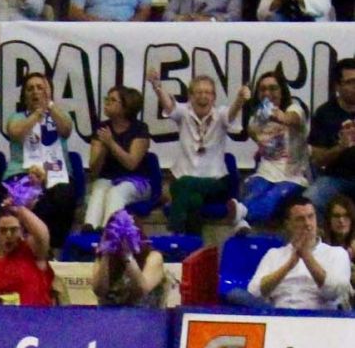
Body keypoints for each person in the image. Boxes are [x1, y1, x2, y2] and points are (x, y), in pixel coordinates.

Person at [148, 69, 244, 236]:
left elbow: (231, 114)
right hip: (186, 179)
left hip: (214, 181)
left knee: (181, 184)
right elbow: (169, 107)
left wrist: (240, 99)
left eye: (208, 92)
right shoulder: (184, 113)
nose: (203, 96)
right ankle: (194, 244)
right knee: (194, 200)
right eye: (198, 92)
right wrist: (157, 86)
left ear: (213, 97)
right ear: (191, 96)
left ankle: (175, 231)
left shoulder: (220, 114)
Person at [4, 71, 76, 248]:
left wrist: (49, 106)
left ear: (49, 92)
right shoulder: (17, 117)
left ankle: (53, 247)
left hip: (56, 174)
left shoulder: (59, 115)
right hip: (22, 173)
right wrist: (37, 114)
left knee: (63, 195)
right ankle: (33, 245)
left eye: (40, 88)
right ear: (24, 95)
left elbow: (66, 130)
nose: (35, 92)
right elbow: (16, 133)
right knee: (31, 197)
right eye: (30, 89)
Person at [246, 194, 352, 308]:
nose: (307, 224)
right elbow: (254, 292)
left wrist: (306, 256)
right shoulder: (274, 254)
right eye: (300, 219)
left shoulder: (336, 253)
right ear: (288, 224)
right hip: (280, 316)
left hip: (319, 318)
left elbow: (335, 293)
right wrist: (288, 265)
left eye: (311, 217)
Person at [237, 71, 309, 229]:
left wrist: (280, 117)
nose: (267, 93)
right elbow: (254, 135)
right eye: (263, 89)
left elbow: (291, 119)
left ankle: (240, 217)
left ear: (282, 91)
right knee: (253, 194)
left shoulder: (295, 109)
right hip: (265, 173)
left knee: (271, 199)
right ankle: (241, 217)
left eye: (273, 88)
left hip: (293, 177)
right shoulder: (255, 119)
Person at [83, 85, 151, 231]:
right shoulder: (102, 128)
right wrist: (103, 149)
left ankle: (110, 232)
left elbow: (131, 164)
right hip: (107, 179)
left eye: (112, 100)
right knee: (99, 189)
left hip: (136, 181)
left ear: (126, 107)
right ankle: (89, 231)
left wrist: (111, 143)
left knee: (116, 192)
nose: (106, 102)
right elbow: (94, 170)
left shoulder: (140, 129)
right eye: (106, 98)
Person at [307, 59, 355, 213]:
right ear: (337, 86)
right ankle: (325, 236)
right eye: (350, 82)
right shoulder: (325, 113)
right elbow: (318, 159)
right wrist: (341, 147)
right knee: (311, 201)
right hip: (336, 177)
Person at [91, 213, 168, 306]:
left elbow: (141, 290)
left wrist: (127, 256)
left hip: (146, 316)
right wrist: (106, 255)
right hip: (109, 317)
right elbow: (99, 291)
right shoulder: (103, 258)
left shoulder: (154, 257)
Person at [323, 191, 355, 263]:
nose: (341, 220)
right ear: (329, 219)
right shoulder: (321, 244)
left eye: (346, 216)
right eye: (336, 216)